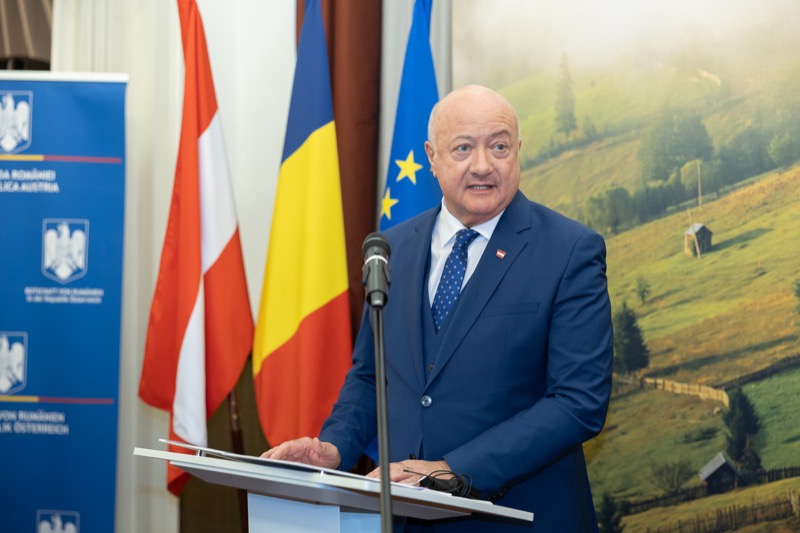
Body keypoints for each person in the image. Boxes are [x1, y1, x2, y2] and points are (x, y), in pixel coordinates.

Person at [262, 85, 614, 532]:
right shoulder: (390, 249)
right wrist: (333, 447)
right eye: (463, 148)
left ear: (518, 150)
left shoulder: (570, 250)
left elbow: (578, 402)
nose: (483, 165)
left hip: (519, 517)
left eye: (499, 146)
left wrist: (451, 471)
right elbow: (372, 376)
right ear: (432, 156)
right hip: (401, 519)